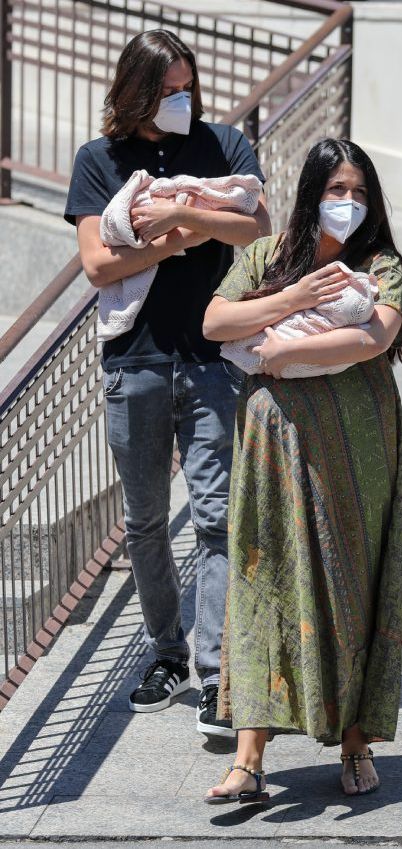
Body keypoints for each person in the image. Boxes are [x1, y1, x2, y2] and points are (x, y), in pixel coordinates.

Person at [64, 29, 271, 734]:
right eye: (167, 89)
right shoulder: (99, 160)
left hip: (214, 358)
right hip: (136, 362)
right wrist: (191, 236)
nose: (180, 100)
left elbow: (258, 227)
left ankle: (216, 678)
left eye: (187, 87)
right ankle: (166, 654)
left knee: (214, 516)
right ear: (135, 91)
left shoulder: (223, 146)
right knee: (147, 519)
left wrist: (181, 212)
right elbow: (97, 265)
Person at [202, 138, 402, 801]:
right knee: (262, 574)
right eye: (335, 190)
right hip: (271, 443)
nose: (346, 203)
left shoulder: (379, 262)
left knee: (348, 575)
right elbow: (214, 320)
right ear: (310, 193)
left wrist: (272, 351)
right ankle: (248, 758)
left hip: (356, 444)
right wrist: (294, 298)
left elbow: (374, 336)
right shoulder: (268, 257)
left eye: (357, 192)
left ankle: (354, 743)